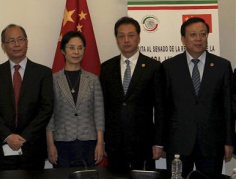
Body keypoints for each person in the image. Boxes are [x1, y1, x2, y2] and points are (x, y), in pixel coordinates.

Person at [163, 17, 233, 177]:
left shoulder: (222, 66)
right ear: (183, 39)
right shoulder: (169, 67)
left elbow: (228, 107)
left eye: (203, 34)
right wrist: (160, 142)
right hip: (178, 142)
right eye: (193, 34)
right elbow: (163, 108)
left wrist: (229, 141)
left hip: (211, 142)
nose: (199, 39)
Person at [0, 24, 54, 171]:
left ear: (27, 42)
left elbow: (46, 109)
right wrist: (8, 136)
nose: (16, 44)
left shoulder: (43, 73)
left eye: (20, 39)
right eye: (11, 41)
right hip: (4, 147)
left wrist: (24, 137)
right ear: (4, 46)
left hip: (33, 147)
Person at [99, 17, 164, 171]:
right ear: (116, 39)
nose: (126, 40)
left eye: (131, 35)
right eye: (121, 36)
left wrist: (159, 142)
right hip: (115, 143)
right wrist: (103, 141)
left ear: (139, 37)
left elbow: (160, 108)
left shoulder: (153, 67)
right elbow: (103, 107)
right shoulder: (107, 67)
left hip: (144, 142)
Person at [46, 31, 104, 168]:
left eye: (80, 48)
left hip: (89, 142)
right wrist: (50, 144)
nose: (76, 52)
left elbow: (99, 113)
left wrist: (100, 143)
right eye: (71, 47)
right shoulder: (53, 80)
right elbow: (49, 116)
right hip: (62, 141)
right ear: (63, 51)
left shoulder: (93, 80)